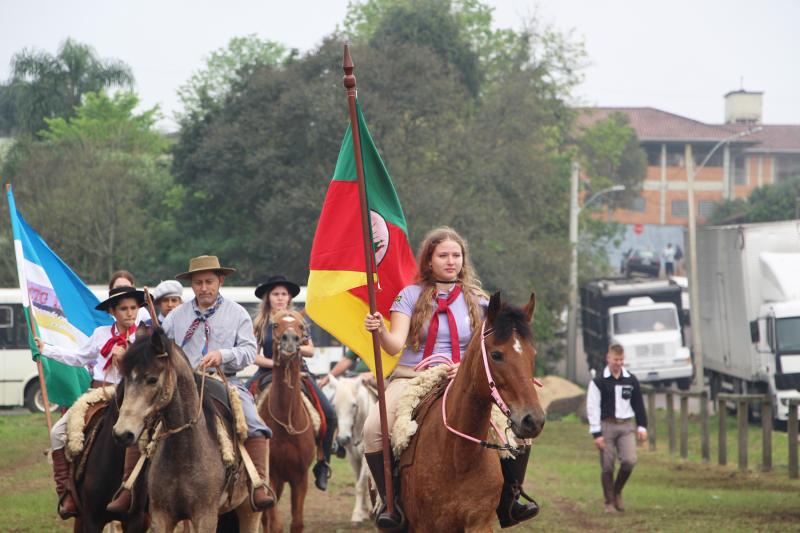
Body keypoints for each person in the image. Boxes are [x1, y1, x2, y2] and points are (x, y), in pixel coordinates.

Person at [362, 226, 539, 530]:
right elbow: (395, 344)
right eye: (442, 255)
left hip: (463, 377)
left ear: (463, 260)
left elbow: (491, 348)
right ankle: (388, 503)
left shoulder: (481, 301)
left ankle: (511, 500)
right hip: (414, 376)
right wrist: (379, 330)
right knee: (373, 429)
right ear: (429, 260)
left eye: (456, 255)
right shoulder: (410, 295)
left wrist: (468, 368)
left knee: (517, 432)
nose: (450, 261)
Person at [109, 255, 275, 512]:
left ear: (220, 281)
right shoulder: (176, 316)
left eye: (209, 281)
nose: (204, 288)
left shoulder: (237, 313)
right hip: (181, 387)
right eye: (198, 283)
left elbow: (249, 351)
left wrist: (223, 355)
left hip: (224, 381)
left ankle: (258, 483)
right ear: (191, 285)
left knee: (254, 422)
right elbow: (159, 351)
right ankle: (128, 487)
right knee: (144, 421)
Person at [35, 286, 145, 519]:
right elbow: (78, 357)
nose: (129, 313)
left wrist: (125, 360)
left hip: (133, 397)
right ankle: (67, 492)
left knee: (153, 438)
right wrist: (47, 350)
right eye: (123, 309)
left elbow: (149, 372)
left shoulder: (144, 337)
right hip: (99, 393)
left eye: (133, 308)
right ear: (113, 311)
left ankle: (150, 492)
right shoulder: (100, 334)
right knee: (58, 433)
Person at [249, 275, 338, 491]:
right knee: (238, 408)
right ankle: (243, 462)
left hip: (299, 373)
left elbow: (310, 349)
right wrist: (275, 363)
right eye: (275, 294)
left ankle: (323, 462)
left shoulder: (298, 321)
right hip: (268, 372)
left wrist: (294, 350)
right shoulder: (261, 323)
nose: (280, 298)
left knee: (330, 413)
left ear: (289, 297)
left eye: (284, 294)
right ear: (268, 298)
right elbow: (253, 354)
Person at [586, 344, 648, 513]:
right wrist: (596, 433)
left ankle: (616, 491)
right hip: (606, 425)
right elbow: (593, 408)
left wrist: (642, 426)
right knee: (607, 466)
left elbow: (638, 404)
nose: (618, 363)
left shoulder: (630, 380)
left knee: (629, 460)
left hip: (626, 425)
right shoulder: (599, 382)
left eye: (621, 360)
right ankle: (609, 502)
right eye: (615, 360)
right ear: (608, 358)